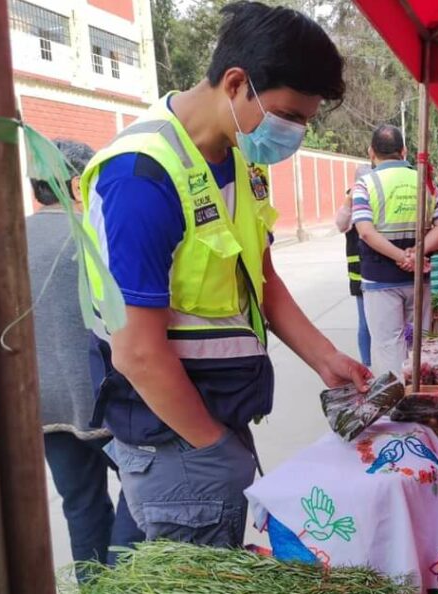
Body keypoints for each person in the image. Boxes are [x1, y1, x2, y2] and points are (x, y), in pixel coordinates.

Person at [79, 1, 370, 548]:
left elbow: (262, 280)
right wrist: (213, 449)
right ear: (236, 83)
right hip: (177, 439)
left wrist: (325, 358)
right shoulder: (141, 178)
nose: (295, 133)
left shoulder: (239, 159)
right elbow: (137, 353)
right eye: (289, 115)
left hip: (215, 426)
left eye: (304, 121)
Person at [27, 139, 145, 575]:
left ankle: (94, 583)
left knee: (80, 504)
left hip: (47, 409)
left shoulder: (5, 240)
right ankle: (123, 579)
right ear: (79, 184)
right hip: (108, 402)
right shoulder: (96, 235)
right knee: (142, 495)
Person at [353, 124, 438, 376]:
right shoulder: (426, 183)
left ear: (371, 152)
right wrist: (416, 255)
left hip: (380, 281)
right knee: (419, 342)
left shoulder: (365, 184)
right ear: (404, 151)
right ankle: (419, 390)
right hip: (418, 279)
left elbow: (365, 231)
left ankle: (397, 395)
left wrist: (401, 257)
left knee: (389, 346)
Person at [335, 168, 372, 367]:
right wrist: (350, 199)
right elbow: (341, 224)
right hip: (359, 274)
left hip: (379, 272)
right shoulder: (351, 205)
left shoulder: (375, 198)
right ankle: (367, 365)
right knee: (365, 323)